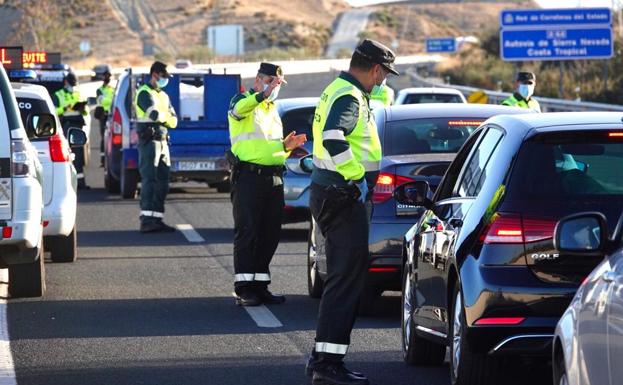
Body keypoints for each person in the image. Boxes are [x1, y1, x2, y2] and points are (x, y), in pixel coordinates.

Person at [305, 39, 398, 385]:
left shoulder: (338, 89)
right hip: (343, 196)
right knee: (345, 281)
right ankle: (327, 365)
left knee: (343, 279)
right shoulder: (350, 96)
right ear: (375, 68)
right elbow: (332, 137)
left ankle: (324, 359)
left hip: (332, 192)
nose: (383, 81)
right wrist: (357, 176)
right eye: (384, 74)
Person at [227, 62, 307, 307]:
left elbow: (268, 146)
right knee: (248, 232)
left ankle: (260, 285)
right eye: (273, 82)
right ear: (260, 80)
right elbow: (239, 111)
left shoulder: (272, 109)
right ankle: (244, 287)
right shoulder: (242, 101)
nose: (276, 88)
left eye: (279, 84)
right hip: (249, 177)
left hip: (273, 176)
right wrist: (262, 95)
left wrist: (286, 147)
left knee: (269, 234)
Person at [134, 61, 178, 233]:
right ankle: (146, 219)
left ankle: (157, 218)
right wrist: (166, 117)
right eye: (163, 77)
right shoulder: (144, 93)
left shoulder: (164, 96)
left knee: (163, 180)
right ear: (154, 75)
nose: (165, 80)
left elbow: (174, 121)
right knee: (149, 180)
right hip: (149, 141)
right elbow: (155, 115)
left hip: (163, 140)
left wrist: (165, 117)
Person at [53, 72, 89, 189]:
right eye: (71, 83)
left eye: (74, 84)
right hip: (66, 126)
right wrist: (65, 108)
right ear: (65, 83)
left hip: (78, 126)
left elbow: (87, 112)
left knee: (79, 156)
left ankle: (80, 182)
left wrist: (83, 108)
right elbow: (54, 111)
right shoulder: (58, 95)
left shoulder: (79, 94)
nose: (73, 86)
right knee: (68, 153)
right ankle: (67, 182)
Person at [96, 70, 114, 167]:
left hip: (112, 116)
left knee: (112, 137)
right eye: (107, 76)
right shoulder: (99, 90)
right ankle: (103, 160)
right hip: (103, 116)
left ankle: (110, 158)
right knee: (104, 138)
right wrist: (111, 100)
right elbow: (101, 101)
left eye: (110, 76)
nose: (108, 78)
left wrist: (108, 101)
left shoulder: (113, 89)